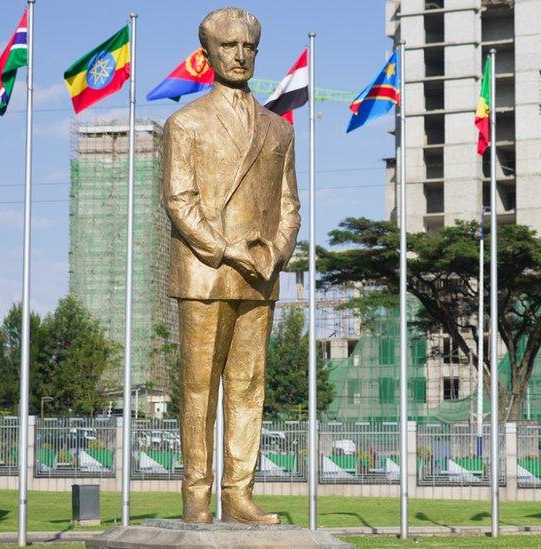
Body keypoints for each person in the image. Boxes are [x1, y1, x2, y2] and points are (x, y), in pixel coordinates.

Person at [163, 7, 300, 524]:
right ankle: (197, 493)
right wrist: (229, 249)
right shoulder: (186, 123)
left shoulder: (278, 128)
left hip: (261, 275)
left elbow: (290, 204)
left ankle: (238, 492)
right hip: (205, 271)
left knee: (248, 386)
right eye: (228, 47)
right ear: (207, 55)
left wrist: (277, 250)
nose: (240, 55)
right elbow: (179, 201)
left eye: (248, 47)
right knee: (200, 387)